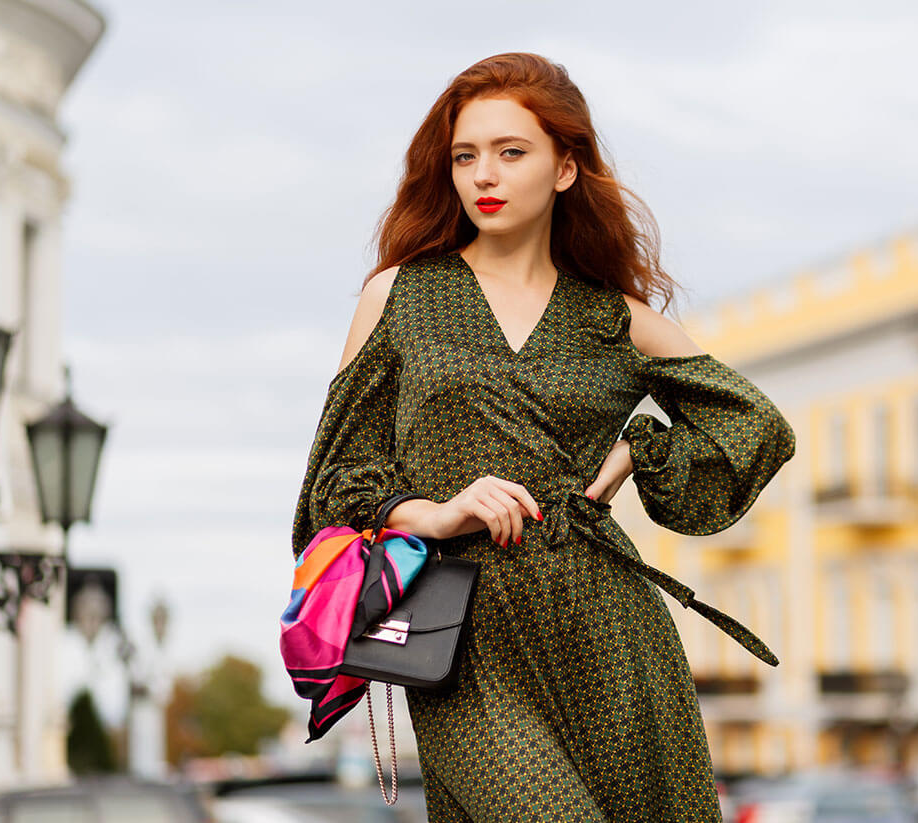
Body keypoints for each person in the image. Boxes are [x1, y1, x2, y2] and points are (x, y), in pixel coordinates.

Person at [291, 52, 796, 823]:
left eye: (510, 152)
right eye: (466, 156)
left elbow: (756, 425)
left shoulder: (616, 317)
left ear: (565, 167)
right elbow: (334, 480)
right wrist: (431, 511)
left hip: (608, 626)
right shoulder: (399, 294)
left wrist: (641, 448)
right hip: (456, 632)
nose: (483, 175)